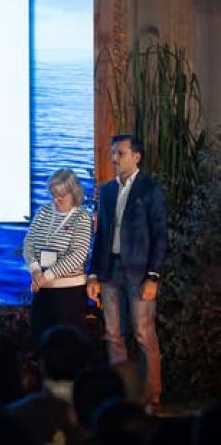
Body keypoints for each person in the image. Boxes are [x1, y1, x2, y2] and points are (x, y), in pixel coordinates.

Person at [87, 134, 166, 409]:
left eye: (120, 153)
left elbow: (160, 236)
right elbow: (100, 235)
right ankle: (121, 395)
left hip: (139, 272)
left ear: (136, 157)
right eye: (112, 153)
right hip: (110, 271)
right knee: (113, 335)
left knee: (144, 334)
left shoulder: (150, 189)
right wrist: (93, 274)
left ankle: (151, 396)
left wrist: (153, 276)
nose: (114, 158)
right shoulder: (107, 190)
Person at [22, 168, 93, 341]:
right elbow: (28, 243)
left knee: (66, 343)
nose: (56, 199)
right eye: (53, 194)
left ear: (73, 193)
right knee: (40, 338)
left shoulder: (82, 217)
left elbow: (78, 255)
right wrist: (35, 270)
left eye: (61, 195)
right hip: (42, 289)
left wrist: (46, 276)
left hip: (69, 294)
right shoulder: (43, 211)